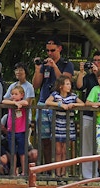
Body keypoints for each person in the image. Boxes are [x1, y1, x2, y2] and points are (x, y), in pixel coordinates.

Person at [32, 36, 74, 165]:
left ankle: (60, 170)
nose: (50, 53)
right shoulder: (44, 65)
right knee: (45, 139)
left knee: (59, 141)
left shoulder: (67, 64)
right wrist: (38, 69)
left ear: (59, 49)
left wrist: (54, 66)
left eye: (53, 50)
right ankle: (47, 168)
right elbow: (35, 85)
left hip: (59, 105)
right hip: (44, 103)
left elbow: (64, 81)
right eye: (48, 51)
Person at [45, 75, 84, 175]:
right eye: (67, 84)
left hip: (68, 126)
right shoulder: (55, 95)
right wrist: (60, 105)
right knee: (58, 150)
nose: (69, 86)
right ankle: (58, 173)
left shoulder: (73, 96)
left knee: (65, 150)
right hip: (57, 125)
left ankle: (64, 173)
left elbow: (83, 104)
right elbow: (47, 102)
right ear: (61, 86)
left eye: (70, 84)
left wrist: (74, 105)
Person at [2, 85, 30, 175]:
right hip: (11, 131)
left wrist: (19, 103)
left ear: (21, 95)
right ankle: (13, 171)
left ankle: (24, 171)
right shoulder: (11, 103)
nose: (13, 96)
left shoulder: (23, 103)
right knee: (12, 152)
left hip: (21, 131)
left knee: (22, 152)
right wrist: (14, 103)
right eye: (12, 94)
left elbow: (26, 102)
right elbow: (3, 101)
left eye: (16, 94)